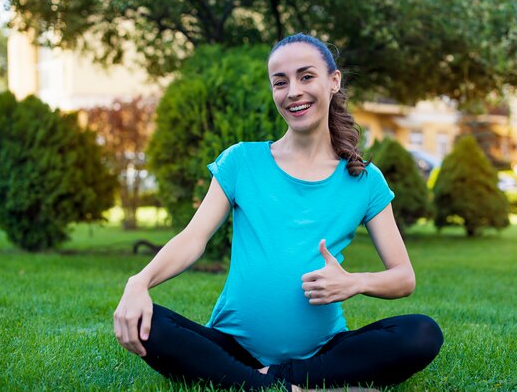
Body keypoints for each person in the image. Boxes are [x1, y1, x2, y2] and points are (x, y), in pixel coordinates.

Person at [113, 33, 443, 391]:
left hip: (319, 353)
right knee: (150, 324)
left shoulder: (364, 180)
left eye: (306, 76)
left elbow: (403, 277)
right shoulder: (241, 161)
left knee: (422, 332)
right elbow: (194, 238)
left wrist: (354, 282)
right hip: (232, 349)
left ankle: (271, 383)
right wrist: (139, 281)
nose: (293, 92)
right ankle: (278, 385)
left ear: (333, 81)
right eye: (280, 82)